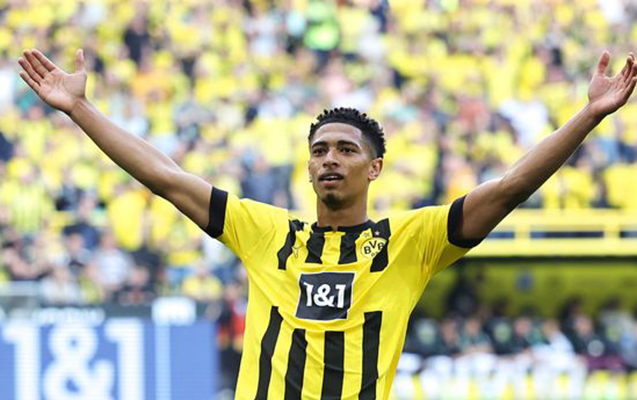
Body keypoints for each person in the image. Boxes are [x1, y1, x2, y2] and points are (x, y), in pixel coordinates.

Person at [18, 47, 637, 399]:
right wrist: (80, 108)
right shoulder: (265, 231)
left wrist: (588, 116)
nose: (329, 160)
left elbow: (509, 188)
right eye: (319, 151)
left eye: (345, 149)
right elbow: (166, 177)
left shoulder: (411, 241)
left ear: (375, 167)